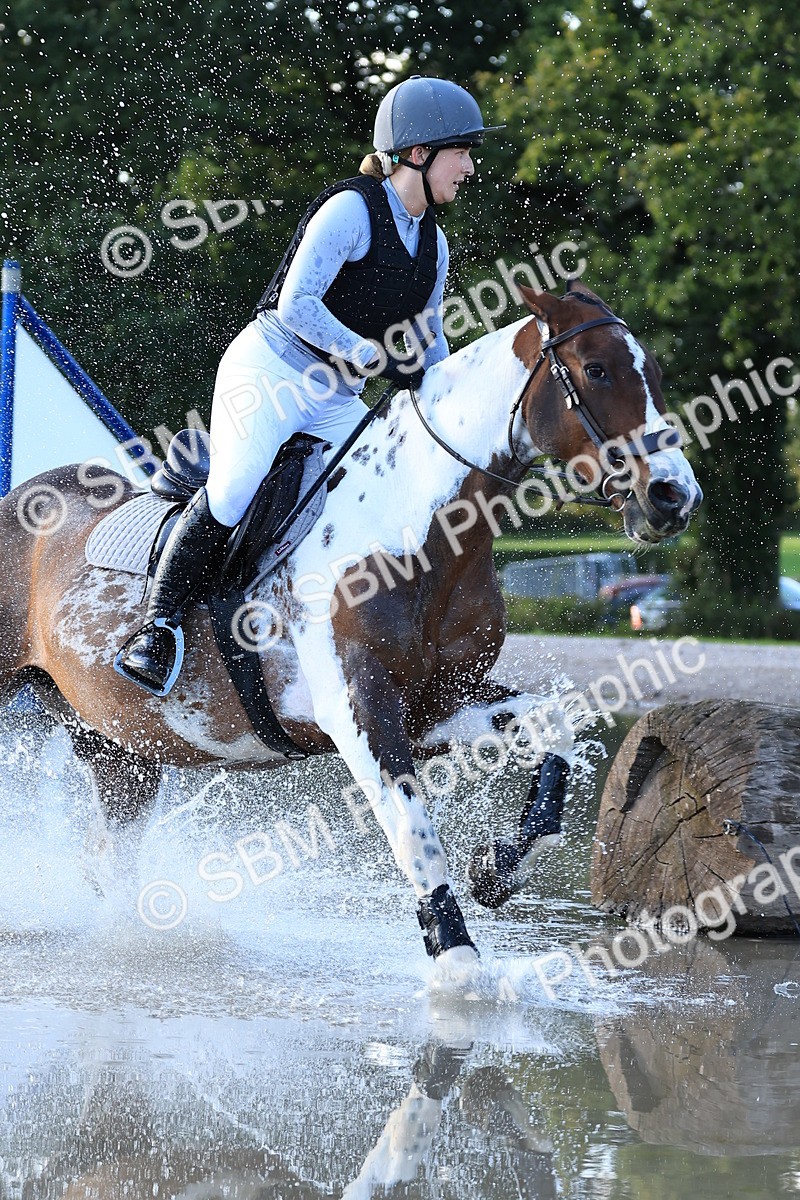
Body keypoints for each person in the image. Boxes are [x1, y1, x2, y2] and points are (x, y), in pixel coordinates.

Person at [116, 76, 503, 694]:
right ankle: (157, 629)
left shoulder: (435, 243)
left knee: (375, 493)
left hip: (335, 396)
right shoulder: (351, 208)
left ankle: (322, 623)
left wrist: (451, 397)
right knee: (236, 489)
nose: (470, 167)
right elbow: (297, 304)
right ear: (418, 153)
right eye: (462, 151)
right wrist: (369, 353)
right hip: (272, 369)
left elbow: (430, 342)